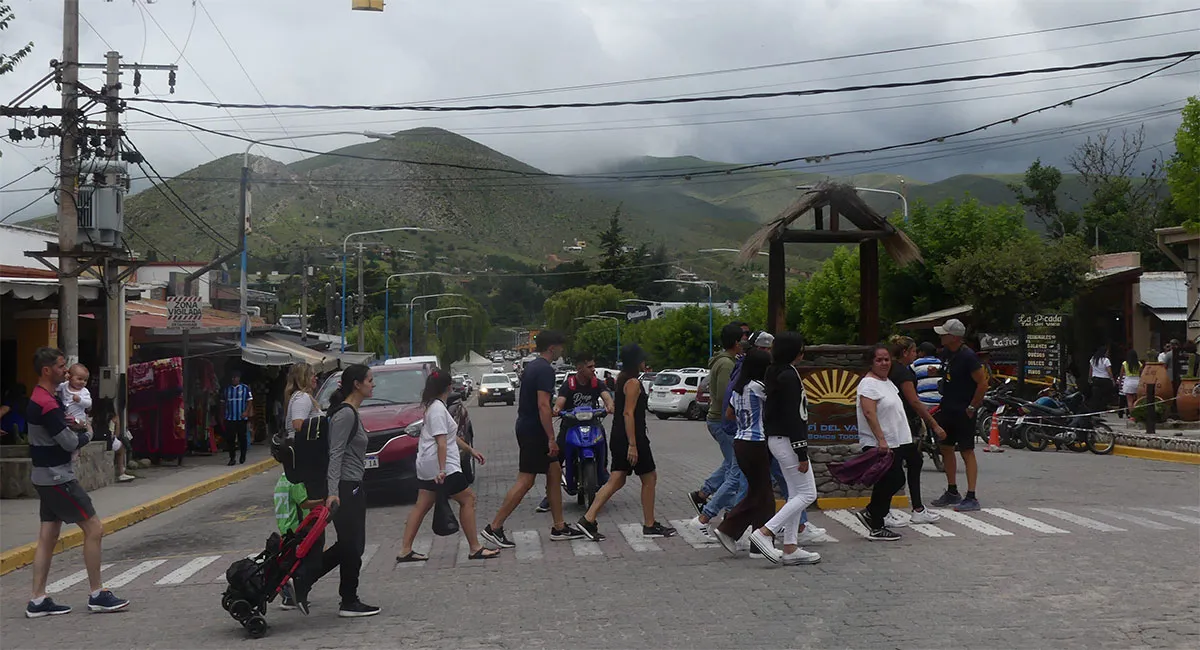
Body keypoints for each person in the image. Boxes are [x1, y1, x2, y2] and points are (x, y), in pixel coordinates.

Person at [25, 347, 129, 618]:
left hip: (44, 476)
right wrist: (87, 434)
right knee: (94, 529)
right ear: (47, 370)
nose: (66, 371)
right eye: (61, 366)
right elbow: (68, 441)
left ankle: (37, 599)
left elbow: (55, 430)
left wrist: (68, 423)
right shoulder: (46, 403)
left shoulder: (42, 398)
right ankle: (97, 593)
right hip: (57, 477)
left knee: (48, 537)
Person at [481, 331, 584, 549]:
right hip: (534, 431)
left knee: (555, 472)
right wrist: (551, 438)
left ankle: (559, 526)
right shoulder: (545, 370)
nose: (561, 351)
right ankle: (495, 527)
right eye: (560, 347)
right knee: (526, 480)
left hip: (527, 426)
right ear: (551, 348)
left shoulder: (533, 367)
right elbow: (543, 405)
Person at [299, 364, 381, 618]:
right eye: (370, 380)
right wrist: (333, 492)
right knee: (352, 545)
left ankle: (305, 582)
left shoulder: (351, 411)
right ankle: (346, 599)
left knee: (350, 544)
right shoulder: (346, 414)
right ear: (356, 384)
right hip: (345, 487)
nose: (373, 384)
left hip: (352, 485)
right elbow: (335, 454)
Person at [396, 370, 499, 563]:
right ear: (449, 387)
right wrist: (442, 470)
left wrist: (470, 451)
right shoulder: (437, 409)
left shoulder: (434, 407)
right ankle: (475, 547)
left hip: (429, 464)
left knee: (423, 504)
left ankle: (405, 550)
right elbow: (442, 442)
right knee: (468, 499)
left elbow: (451, 437)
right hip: (441, 465)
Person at [575, 344, 676, 541]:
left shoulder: (623, 379)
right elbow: (628, 413)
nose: (645, 361)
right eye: (642, 359)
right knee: (649, 478)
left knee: (617, 479)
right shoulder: (632, 383)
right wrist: (633, 444)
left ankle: (588, 519)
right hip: (631, 437)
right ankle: (649, 524)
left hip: (620, 436)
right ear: (636, 361)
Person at [752, 331, 822, 565]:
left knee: (796, 493)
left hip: (778, 439)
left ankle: (791, 547)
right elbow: (794, 416)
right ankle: (766, 532)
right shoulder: (789, 376)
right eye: (801, 348)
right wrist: (801, 451)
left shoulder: (776, 372)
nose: (803, 353)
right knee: (808, 493)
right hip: (788, 440)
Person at [686, 322, 746, 535]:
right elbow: (724, 395)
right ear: (736, 342)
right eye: (744, 337)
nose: (746, 342)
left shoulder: (727, 361)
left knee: (730, 464)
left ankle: (703, 494)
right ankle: (722, 514)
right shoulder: (727, 364)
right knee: (735, 471)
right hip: (723, 422)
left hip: (720, 421)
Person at [712, 348, 774, 555]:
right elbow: (776, 406)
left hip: (740, 441)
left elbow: (729, 414)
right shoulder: (758, 387)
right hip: (756, 443)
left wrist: (746, 419)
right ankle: (728, 529)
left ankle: (759, 543)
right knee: (761, 493)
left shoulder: (739, 387)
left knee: (760, 493)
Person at [536, 352, 615, 512]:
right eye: (590, 366)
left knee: (602, 439)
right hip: (570, 425)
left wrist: (610, 405)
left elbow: (606, 396)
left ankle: (603, 469)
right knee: (556, 458)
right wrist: (557, 409)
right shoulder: (569, 384)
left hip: (592, 423)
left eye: (594, 366)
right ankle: (549, 496)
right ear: (580, 368)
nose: (593, 370)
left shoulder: (596, 383)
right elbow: (560, 401)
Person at [852, 344, 912, 541]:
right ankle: (874, 520)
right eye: (879, 360)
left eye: (886, 359)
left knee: (892, 479)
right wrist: (881, 439)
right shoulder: (868, 384)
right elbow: (869, 412)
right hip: (881, 442)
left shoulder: (886, 382)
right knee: (893, 479)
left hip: (895, 440)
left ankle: (873, 516)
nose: (884, 363)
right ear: (871, 362)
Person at [929, 319, 988, 512]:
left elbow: (982, 383)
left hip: (964, 410)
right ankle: (952, 490)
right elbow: (950, 372)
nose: (940, 336)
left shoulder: (968, 357)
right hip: (947, 407)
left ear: (954, 337)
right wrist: (936, 370)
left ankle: (971, 495)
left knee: (966, 450)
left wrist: (972, 406)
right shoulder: (947, 353)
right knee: (945, 447)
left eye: (944, 333)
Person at [886, 336, 945, 526]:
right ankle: (882, 510)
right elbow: (914, 401)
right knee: (896, 470)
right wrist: (933, 424)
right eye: (912, 351)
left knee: (914, 461)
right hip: (903, 423)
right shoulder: (903, 373)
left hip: (895, 421)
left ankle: (917, 508)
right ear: (905, 352)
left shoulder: (892, 370)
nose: (915, 355)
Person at [271, 435, 323, 611]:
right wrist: (323, 501)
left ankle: (289, 593)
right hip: (297, 527)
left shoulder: (282, 480)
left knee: (292, 561)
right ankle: (291, 591)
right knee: (307, 562)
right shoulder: (295, 481)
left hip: (285, 526)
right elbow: (304, 503)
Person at [222, 370, 253, 466]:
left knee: (242, 438)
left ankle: (243, 455)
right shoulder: (227, 389)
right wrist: (223, 414)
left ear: (239, 378)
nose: (234, 379)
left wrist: (246, 412)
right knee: (230, 439)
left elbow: (250, 401)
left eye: (235, 377)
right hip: (230, 418)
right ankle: (232, 458)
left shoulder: (245, 388)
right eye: (232, 377)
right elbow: (222, 403)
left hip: (241, 418)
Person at [284, 363, 322, 440]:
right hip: (303, 446)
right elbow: (298, 425)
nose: (316, 378)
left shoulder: (300, 396)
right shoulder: (302, 397)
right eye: (312, 375)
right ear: (303, 378)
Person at [912, 342, 944, 407]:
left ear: (922, 352)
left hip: (924, 401)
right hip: (941, 401)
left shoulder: (915, 364)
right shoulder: (941, 363)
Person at [109, 414, 135, 483]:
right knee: (122, 447)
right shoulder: (112, 418)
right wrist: (117, 423)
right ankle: (121, 472)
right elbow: (116, 434)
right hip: (108, 439)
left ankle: (121, 468)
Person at [1089, 345, 1115, 412]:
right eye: (1107, 352)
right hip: (1105, 380)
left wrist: (1089, 378)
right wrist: (1112, 379)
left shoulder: (1093, 359)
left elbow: (1090, 370)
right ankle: (1103, 407)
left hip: (1095, 379)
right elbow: (1109, 371)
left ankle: (1095, 409)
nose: (1108, 353)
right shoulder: (1106, 360)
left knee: (1096, 395)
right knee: (1106, 394)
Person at [1119, 349, 1142, 422]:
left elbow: (1121, 374)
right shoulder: (1139, 364)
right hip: (1137, 381)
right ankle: (1138, 414)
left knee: (1129, 401)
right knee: (1137, 400)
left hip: (1128, 381)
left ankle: (1132, 416)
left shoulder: (1125, 363)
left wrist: (1120, 384)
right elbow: (1141, 374)